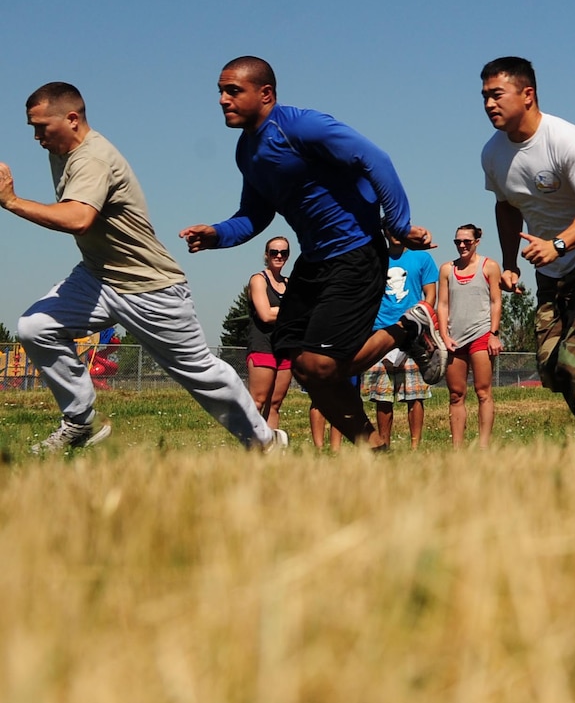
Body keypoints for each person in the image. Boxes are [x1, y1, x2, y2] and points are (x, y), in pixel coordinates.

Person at [179, 56, 444, 452]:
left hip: (356, 253)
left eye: (233, 90)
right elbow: (255, 215)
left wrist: (399, 224)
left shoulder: (302, 126)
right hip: (314, 262)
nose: (222, 99)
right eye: (220, 91)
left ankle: (408, 329)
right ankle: (374, 450)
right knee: (301, 365)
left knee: (324, 366)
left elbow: (376, 160)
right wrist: (217, 234)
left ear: (265, 93)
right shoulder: (246, 152)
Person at [5, 82, 278, 453]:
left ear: (72, 119)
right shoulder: (62, 149)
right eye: (32, 128)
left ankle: (265, 444)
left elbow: (79, 218)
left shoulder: (93, 159)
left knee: (201, 373)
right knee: (36, 328)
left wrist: (12, 201)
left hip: (150, 287)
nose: (36, 137)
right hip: (97, 276)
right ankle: (81, 421)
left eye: (41, 127)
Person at [478, 57, 575, 441]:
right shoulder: (492, 153)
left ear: (527, 95)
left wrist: (559, 244)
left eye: (497, 95)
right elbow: (506, 206)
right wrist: (510, 263)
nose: (488, 104)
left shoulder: (565, 139)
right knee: (552, 367)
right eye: (484, 97)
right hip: (551, 269)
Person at [360, 230, 438, 447]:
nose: (395, 235)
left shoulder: (422, 258)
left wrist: (420, 319)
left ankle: (415, 446)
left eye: (399, 229)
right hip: (380, 333)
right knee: (382, 396)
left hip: (412, 333)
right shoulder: (376, 259)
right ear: (384, 232)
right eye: (390, 230)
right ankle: (383, 443)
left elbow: (430, 295)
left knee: (415, 394)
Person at [438, 224, 502, 447]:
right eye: (458, 242)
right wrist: (444, 336)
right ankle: (458, 448)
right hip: (455, 339)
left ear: (477, 241)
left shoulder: (490, 266)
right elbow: (443, 304)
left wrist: (494, 334)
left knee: (483, 391)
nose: (462, 245)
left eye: (466, 241)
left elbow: (496, 301)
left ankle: (483, 446)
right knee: (456, 394)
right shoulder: (447, 269)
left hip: (482, 335)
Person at [244, 237, 293, 426]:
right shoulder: (258, 280)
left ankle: (270, 449)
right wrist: (290, 313)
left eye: (283, 252)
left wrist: (278, 312)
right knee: (258, 401)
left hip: (285, 348)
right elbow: (265, 315)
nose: (279, 256)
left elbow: (302, 312)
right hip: (262, 347)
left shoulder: (290, 283)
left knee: (274, 404)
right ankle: (251, 446)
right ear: (267, 255)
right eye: (274, 252)